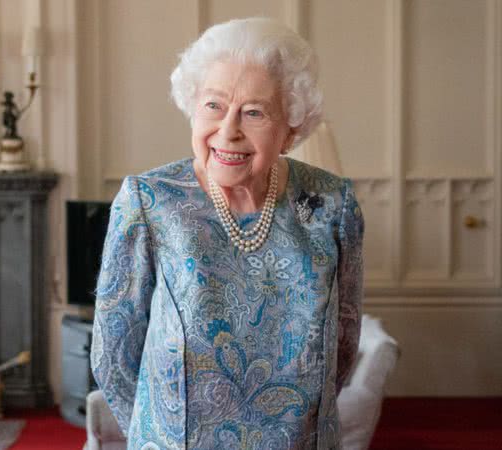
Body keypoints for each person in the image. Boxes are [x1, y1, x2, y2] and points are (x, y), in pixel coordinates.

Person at [91, 17, 364, 449]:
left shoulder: (332, 203)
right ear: (193, 105)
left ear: (290, 128)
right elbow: (113, 356)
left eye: (254, 112)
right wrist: (160, 434)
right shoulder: (150, 202)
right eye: (214, 105)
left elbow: (344, 346)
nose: (228, 130)